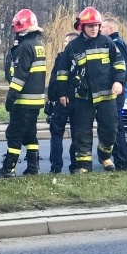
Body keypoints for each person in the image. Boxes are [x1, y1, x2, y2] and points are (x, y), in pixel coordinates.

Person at [56, 7, 126, 174]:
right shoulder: (73, 47)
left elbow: (119, 64)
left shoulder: (107, 42)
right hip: (83, 97)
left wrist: (118, 81)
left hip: (106, 96)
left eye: (97, 25)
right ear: (82, 27)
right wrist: (62, 93)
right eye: (90, 25)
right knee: (82, 132)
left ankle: (104, 155)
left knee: (110, 128)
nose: (94, 28)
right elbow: (62, 71)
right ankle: (84, 166)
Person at [0, 9, 47, 178]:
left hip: (23, 100)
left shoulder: (25, 47)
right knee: (30, 133)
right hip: (36, 101)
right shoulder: (38, 45)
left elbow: (20, 76)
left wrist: (11, 97)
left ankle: (8, 168)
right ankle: (33, 167)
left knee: (15, 134)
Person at [46, 32, 79, 174]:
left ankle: (56, 166)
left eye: (66, 42)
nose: (64, 44)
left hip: (63, 101)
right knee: (77, 134)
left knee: (56, 133)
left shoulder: (61, 57)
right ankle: (76, 165)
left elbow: (55, 79)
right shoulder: (83, 57)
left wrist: (55, 96)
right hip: (79, 101)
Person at [101, 18, 127, 170]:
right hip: (117, 90)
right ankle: (121, 161)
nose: (100, 29)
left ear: (111, 28)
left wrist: (117, 83)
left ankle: (121, 162)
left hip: (117, 91)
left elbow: (121, 67)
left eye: (103, 27)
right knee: (117, 125)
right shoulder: (116, 41)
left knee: (116, 126)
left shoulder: (115, 43)